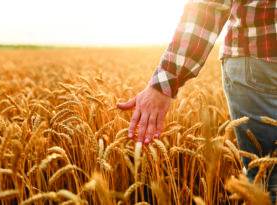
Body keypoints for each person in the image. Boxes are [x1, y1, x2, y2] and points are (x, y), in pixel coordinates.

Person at [117, 0, 277, 203]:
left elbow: (210, 5)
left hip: (260, 60)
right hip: (264, 62)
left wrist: (165, 81)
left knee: (268, 181)